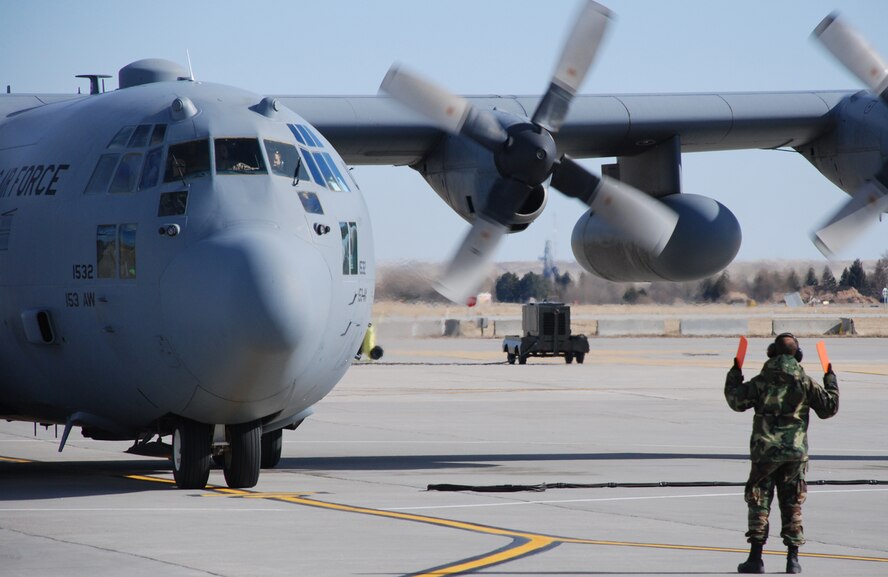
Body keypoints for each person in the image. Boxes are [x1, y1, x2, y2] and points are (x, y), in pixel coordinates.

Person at [725, 333, 839, 574]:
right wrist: (830, 378)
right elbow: (829, 408)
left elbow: (735, 401)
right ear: (797, 356)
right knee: (792, 503)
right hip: (794, 453)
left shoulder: (761, 381)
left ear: (771, 353)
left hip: (764, 452)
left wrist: (735, 372)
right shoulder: (805, 382)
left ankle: (755, 559)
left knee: (759, 501)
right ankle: (793, 559)